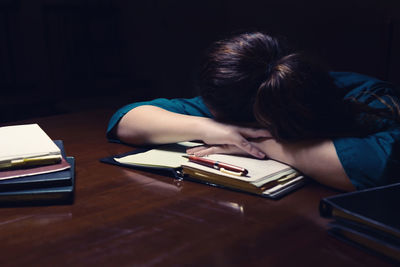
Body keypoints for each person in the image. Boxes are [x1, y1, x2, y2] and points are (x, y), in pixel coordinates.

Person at [107, 32, 400, 192]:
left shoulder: (368, 98)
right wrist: (219, 131)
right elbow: (128, 119)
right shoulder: (237, 104)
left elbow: (377, 168)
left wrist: (259, 145)